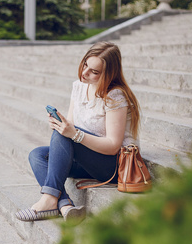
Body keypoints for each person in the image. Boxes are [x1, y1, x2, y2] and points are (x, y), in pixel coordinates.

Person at [15, 42, 141, 223]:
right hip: (86, 160)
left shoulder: (115, 96)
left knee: (65, 132)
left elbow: (113, 146)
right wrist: (63, 127)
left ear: (109, 74)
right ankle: (65, 206)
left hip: (112, 166)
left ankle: (49, 200)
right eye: (85, 65)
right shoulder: (79, 86)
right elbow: (71, 126)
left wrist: (73, 134)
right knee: (37, 155)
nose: (85, 73)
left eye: (94, 72)